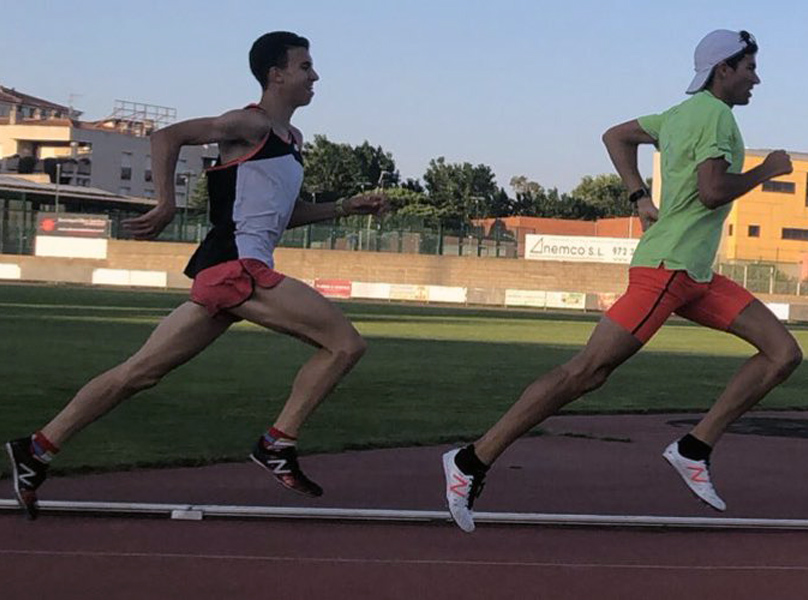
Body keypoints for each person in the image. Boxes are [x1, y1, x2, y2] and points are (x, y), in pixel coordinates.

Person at [5, 31, 387, 519]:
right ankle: (277, 443)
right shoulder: (250, 122)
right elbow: (167, 135)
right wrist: (166, 201)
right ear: (277, 74)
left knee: (139, 373)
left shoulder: (292, 142)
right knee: (345, 344)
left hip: (229, 271)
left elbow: (284, 215)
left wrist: (347, 207)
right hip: (236, 268)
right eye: (305, 66)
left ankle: (37, 450)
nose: (315, 76)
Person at [442, 29, 802, 532]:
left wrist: (639, 198)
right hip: (667, 270)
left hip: (695, 274)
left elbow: (615, 134)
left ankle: (693, 447)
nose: (756, 79)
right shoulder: (716, 116)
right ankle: (470, 462)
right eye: (749, 69)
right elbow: (713, 191)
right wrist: (766, 171)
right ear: (724, 70)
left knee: (783, 353)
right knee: (586, 372)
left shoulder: (677, 116)